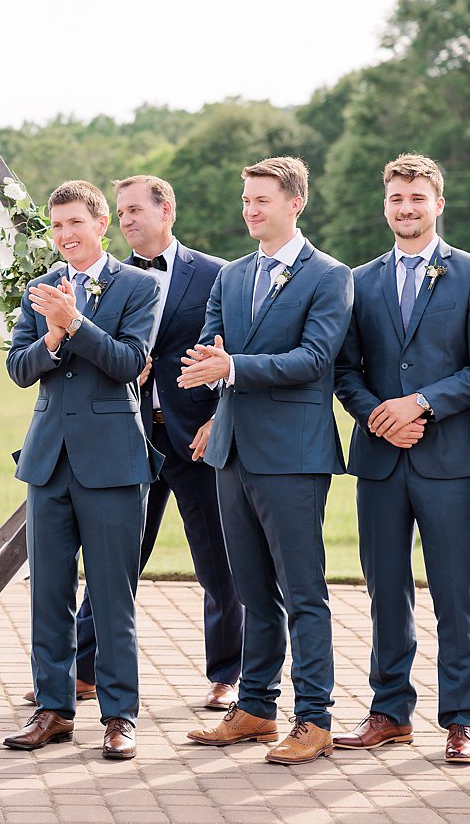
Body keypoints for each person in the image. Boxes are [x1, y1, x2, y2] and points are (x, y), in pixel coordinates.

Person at [26, 175, 242, 711]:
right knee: (118, 565)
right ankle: (81, 671)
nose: (126, 221)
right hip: (124, 436)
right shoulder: (99, 280)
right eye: (121, 212)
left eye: (134, 210)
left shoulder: (215, 274)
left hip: (192, 435)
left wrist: (220, 419)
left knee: (216, 559)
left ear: (166, 210)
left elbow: (230, 353)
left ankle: (227, 674)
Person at [181, 156, 352, 765]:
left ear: (294, 204)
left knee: (303, 592)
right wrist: (208, 364)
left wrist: (232, 366)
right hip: (232, 450)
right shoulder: (231, 275)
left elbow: (315, 359)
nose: (250, 210)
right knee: (252, 590)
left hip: (293, 455)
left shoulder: (329, 276)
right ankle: (255, 707)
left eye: (262, 200)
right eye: (246, 199)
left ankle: (315, 719)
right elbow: (210, 341)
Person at [3, 180, 160, 761]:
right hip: (48, 462)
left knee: (113, 596)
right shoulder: (38, 289)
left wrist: (76, 323)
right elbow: (19, 369)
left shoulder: (139, 286)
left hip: (114, 462)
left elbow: (129, 363)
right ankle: (53, 710)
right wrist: (50, 336)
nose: (66, 235)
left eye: (76, 223)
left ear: (101, 225)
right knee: (48, 593)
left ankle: (119, 717)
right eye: (57, 225)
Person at [332, 154, 470, 764]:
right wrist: (377, 416)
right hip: (380, 460)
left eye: (417, 198)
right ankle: (389, 712)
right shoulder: (358, 281)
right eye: (396, 198)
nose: (406, 208)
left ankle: (462, 718)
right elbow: (344, 370)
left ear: (438, 203)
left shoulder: (468, 273)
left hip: (451, 461)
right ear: (384, 204)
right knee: (385, 590)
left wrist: (422, 404)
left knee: (456, 594)